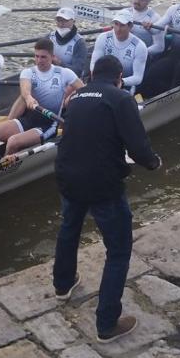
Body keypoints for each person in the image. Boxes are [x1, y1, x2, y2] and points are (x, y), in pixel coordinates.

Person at [53, 55, 161, 342]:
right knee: (118, 250)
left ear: (90, 74)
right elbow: (138, 145)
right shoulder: (120, 98)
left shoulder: (76, 97)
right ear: (119, 77)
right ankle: (107, 323)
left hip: (68, 175)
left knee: (69, 229)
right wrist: (154, 163)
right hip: (102, 182)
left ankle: (63, 285)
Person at [0, 39, 83, 167]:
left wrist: (70, 99)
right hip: (27, 120)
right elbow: (25, 90)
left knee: (13, 141)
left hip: (47, 125)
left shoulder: (64, 73)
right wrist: (29, 98)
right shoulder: (28, 72)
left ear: (52, 56)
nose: (39, 60)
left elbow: (84, 90)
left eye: (43, 57)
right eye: (36, 56)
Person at [91, 9, 148, 94]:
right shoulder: (103, 38)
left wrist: (120, 82)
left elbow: (138, 77)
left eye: (122, 25)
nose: (118, 29)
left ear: (130, 26)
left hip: (125, 85)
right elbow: (93, 65)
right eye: (116, 24)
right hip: (101, 81)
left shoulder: (139, 46)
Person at [50, 7, 90, 80]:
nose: (61, 24)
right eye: (58, 20)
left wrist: (59, 63)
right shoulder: (49, 38)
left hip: (69, 81)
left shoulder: (79, 43)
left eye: (65, 20)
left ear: (73, 21)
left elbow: (77, 72)